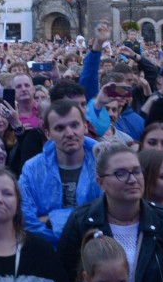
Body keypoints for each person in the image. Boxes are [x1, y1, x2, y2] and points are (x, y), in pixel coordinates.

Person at [57, 143, 163, 282]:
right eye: (120, 173)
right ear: (101, 183)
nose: (133, 179)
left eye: (136, 171)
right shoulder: (81, 220)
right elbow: (65, 279)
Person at [19, 99, 102, 246]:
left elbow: (110, 216)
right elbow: (26, 221)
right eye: (60, 128)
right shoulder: (32, 169)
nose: (69, 133)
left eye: (74, 125)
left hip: (98, 249)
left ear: (85, 126)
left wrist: (51, 219)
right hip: (46, 251)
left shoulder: (103, 164)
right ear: (48, 133)